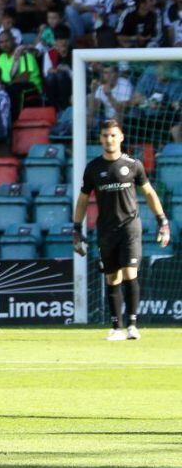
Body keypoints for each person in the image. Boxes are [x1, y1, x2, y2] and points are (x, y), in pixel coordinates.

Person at [74, 119, 170, 341]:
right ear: (100, 139)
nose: (109, 139)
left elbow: (149, 193)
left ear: (121, 137)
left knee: (130, 272)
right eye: (105, 135)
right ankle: (117, 327)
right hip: (106, 230)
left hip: (130, 227)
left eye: (113, 135)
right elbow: (82, 200)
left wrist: (162, 220)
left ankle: (133, 325)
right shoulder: (94, 168)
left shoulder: (133, 165)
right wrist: (77, 229)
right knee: (112, 278)